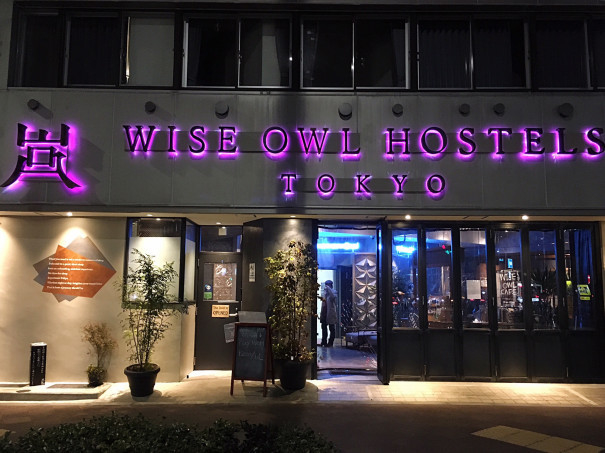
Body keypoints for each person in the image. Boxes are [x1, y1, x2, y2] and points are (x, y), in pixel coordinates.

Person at [320, 280, 338, 347]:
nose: (327, 286)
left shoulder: (334, 292)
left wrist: (329, 289)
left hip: (330, 313)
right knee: (324, 328)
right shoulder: (324, 293)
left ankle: (330, 342)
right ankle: (323, 341)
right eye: (326, 285)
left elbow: (332, 297)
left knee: (331, 328)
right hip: (324, 312)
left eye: (328, 285)